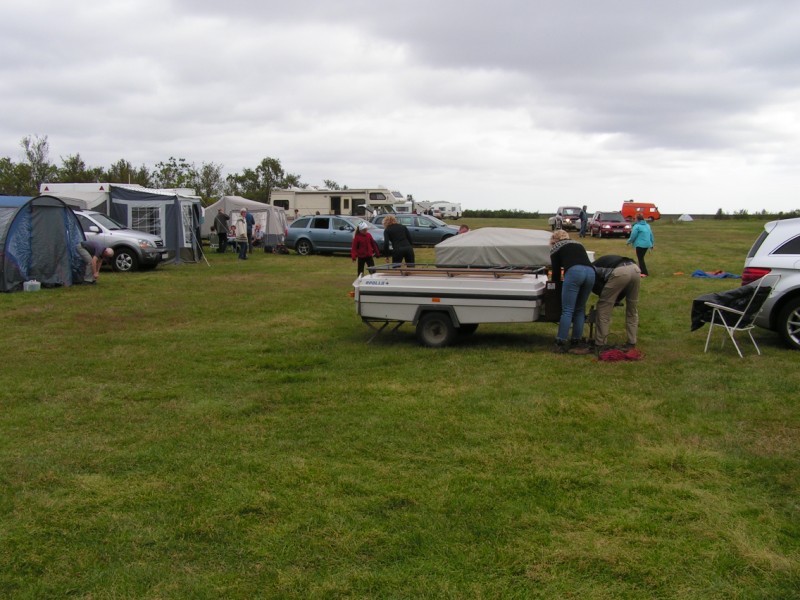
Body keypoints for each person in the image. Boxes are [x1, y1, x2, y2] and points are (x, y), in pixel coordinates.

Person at [549, 229, 595, 353]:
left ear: (554, 240)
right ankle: (576, 341)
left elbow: (556, 273)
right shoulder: (578, 243)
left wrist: (555, 288)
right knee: (580, 309)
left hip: (575, 272)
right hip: (591, 272)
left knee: (567, 310)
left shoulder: (556, 247)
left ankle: (560, 341)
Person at [592, 254, 641, 352]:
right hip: (635, 269)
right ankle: (631, 342)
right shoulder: (603, 262)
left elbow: (598, 288)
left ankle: (600, 343)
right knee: (632, 308)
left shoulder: (592, 269)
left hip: (620, 272)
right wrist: (616, 299)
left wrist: (611, 300)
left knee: (603, 307)